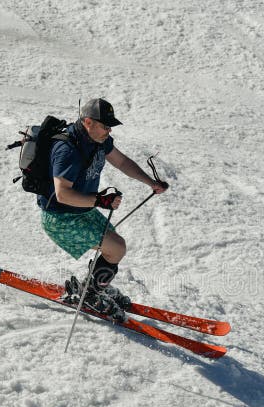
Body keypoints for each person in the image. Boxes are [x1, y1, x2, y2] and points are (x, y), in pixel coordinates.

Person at [37, 98, 167, 319]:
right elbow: (62, 194)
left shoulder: (97, 139)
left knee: (114, 247)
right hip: (61, 218)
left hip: (81, 211)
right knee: (116, 247)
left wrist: (150, 182)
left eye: (110, 126)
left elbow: (122, 162)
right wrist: (99, 201)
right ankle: (90, 295)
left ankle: (93, 287)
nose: (108, 130)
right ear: (88, 121)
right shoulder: (67, 149)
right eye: (105, 125)